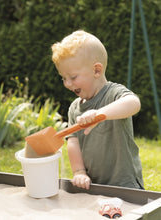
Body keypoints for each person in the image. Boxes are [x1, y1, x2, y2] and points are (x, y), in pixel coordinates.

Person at [51, 30, 144, 190]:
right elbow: (73, 143)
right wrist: (79, 172)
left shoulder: (113, 94)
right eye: (64, 78)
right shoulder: (75, 107)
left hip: (124, 185)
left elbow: (133, 103)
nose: (67, 84)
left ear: (96, 71)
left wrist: (101, 114)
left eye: (73, 77)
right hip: (93, 185)